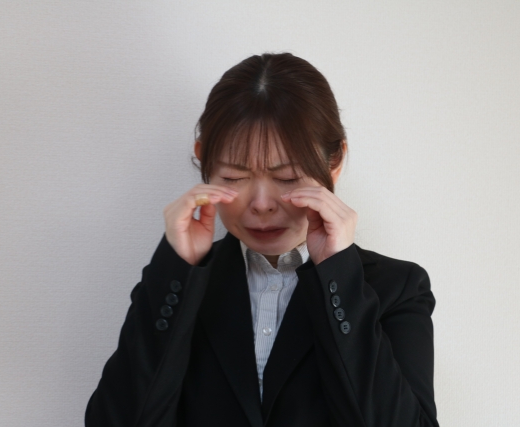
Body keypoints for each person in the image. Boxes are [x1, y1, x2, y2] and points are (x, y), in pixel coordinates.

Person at [85, 52, 439, 427]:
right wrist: (176, 272)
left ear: (333, 162)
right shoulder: (176, 286)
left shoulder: (397, 287)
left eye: (287, 178)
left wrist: (338, 276)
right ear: (204, 159)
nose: (261, 204)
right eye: (234, 178)